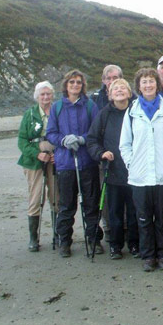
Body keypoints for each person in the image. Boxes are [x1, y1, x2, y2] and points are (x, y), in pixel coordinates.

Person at [119, 68, 163, 272]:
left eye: (151, 81)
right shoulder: (131, 111)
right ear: (138, 86)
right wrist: (131, 163)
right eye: (144, 82)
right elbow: (124, 144)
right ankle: (148, 255)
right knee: (143, 219)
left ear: (157, 84)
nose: (148, 85)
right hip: (140, 176)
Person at [46, 70, 102, 257]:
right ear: (66, 85)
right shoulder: (57, 107)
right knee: (66, 205)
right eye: (72, 82)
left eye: (78, 82)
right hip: (65, 164)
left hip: (87, 162)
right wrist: (63, 140)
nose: (75, 85)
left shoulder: (90, 106)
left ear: (82, 85)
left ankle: (94, 238)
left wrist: (82, 139)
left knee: (91, 204)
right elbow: (51, 133)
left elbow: (96, 131)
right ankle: (64, 241)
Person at [87, 78, 139, 260]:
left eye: (123, 88)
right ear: (109, 94)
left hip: (135, 171)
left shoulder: (136, 111)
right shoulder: (104, 114)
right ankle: (116, 246)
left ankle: (134, 244)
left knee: (134, 211)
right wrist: (101, 153)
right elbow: (92, 140)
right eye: (115, 88)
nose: (119, 91)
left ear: (129, 92)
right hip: (113, 170)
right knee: (114, 212)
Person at [17, 81, 59, 252]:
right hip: (34, 161)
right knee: (36, 197)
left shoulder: (57, 111)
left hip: (55, 159)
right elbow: (22, 140)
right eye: (42, 94)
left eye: (48, 94)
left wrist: (59, 155)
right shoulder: (30, 114)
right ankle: (33, 238)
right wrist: (36, 153)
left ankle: (58, 234)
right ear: (37, 96)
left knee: (56, 196)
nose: (46, 97)